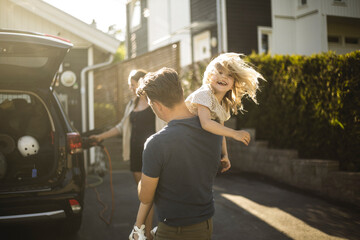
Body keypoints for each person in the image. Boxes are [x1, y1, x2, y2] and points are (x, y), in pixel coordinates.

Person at [129, 68, 223, 240]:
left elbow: (145, 196)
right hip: (205, 225)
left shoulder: (156, 143)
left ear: (157, 105)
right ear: (180, 92)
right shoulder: (214, 128)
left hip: (174, 231)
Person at [90, 69, 165, 239]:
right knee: (143, 196)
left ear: (143, 82)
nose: (131, 88)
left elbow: (168, 124)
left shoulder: (156, 102)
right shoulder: (132, 104)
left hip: (152, 154)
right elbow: (120, 127)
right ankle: (147, 231)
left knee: (150, 195)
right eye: (130, 85)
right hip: (135, 154)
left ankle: (147, 233)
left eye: (133, 85)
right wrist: (100, 137)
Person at [185, 52, 264, 172]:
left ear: (233, 84)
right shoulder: (204, 93)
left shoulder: (222, 104)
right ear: (211, 76)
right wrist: (234, 133)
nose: (224, 77)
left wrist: (225, 155)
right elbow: (205, 123)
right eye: (220, 72)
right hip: (180, 139)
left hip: (196, 147)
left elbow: (220, 131)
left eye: (229, 75)